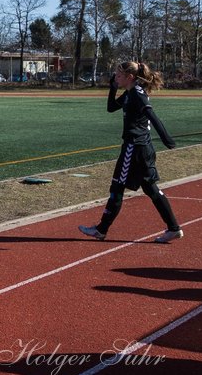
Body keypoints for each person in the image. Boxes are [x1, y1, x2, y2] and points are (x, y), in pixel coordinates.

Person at [78, 60, 183, 243]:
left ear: (130, 77)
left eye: (119, 75)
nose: (115, 77)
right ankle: (173, 228)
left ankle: (101, 230)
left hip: (134, 148)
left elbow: (152, 115)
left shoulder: (136, 94)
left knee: (117, 186)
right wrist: (112, 88)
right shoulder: (128, 94)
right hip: (140, 148)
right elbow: (111, 108)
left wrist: (167, 138)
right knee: (150, 188)